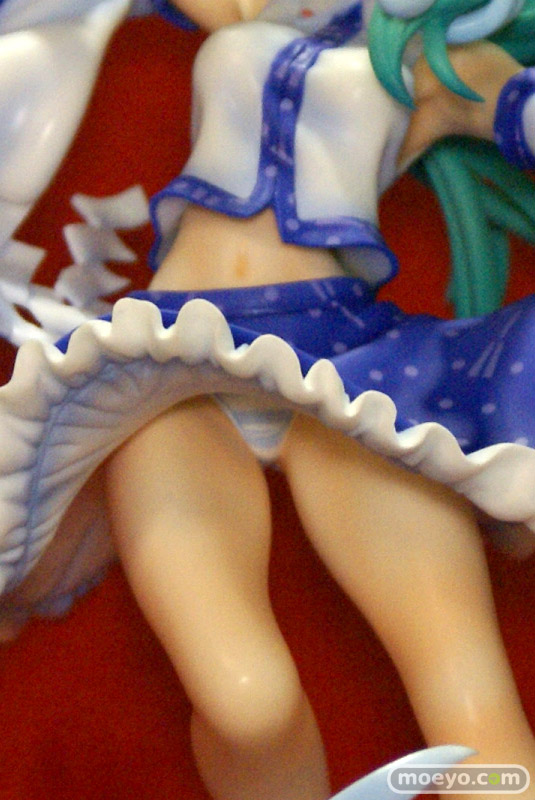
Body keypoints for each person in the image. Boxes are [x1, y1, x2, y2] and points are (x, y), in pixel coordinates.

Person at [1, 1, 535, 798]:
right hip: (174, 362)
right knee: (248, 702)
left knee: (468, 707)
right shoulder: (244, 9)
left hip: (346, 364)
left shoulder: (429, 63)